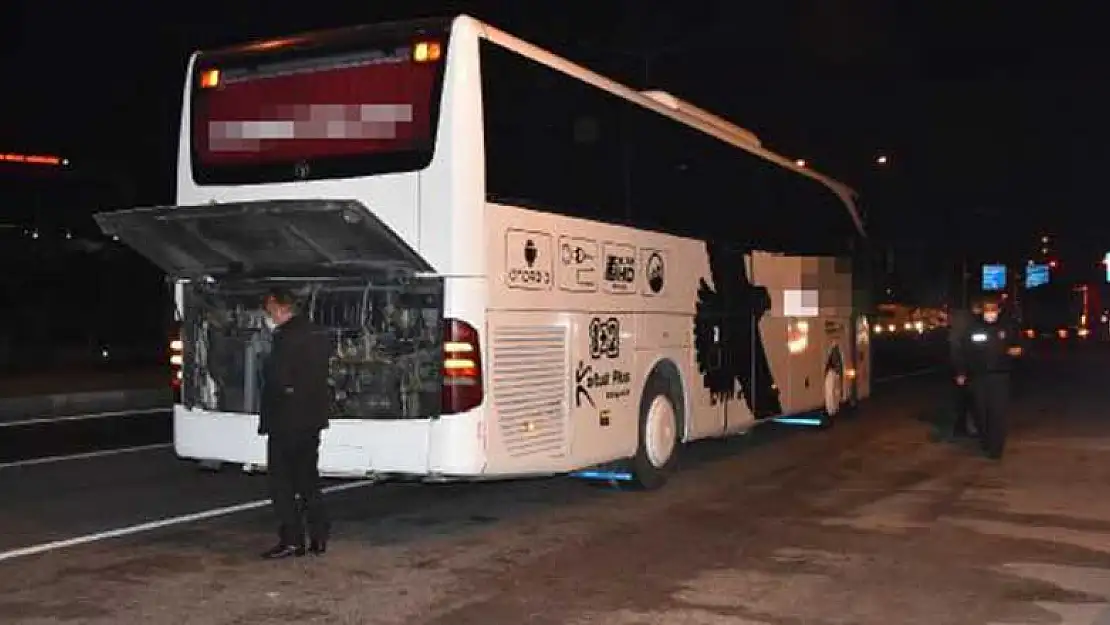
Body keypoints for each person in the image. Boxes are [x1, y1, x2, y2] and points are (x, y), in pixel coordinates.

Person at [259, 287, 332, 559]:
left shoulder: (285, 337)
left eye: (270, 310)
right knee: (308, 480)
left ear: (279, 307)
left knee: (282, 483)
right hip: (311, 419)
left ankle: (292, 540)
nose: (269, 316)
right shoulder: (317, 332)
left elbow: (277, 378)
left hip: (285, 420)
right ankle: (319, 536)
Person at [951, 295, 1014, 459]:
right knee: (981, 412)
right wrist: (961, 372)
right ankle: (986, 440)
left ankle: (996, 448)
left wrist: (1018, 350)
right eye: (987, 310)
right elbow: (962, 352)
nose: (990, 313)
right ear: (982, 311)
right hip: (978, 378)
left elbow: (1021, 345)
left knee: (998, 413)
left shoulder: (1006, 328)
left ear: (998, 311)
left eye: (993, 310)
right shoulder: (974, 329)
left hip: (1000, 377)